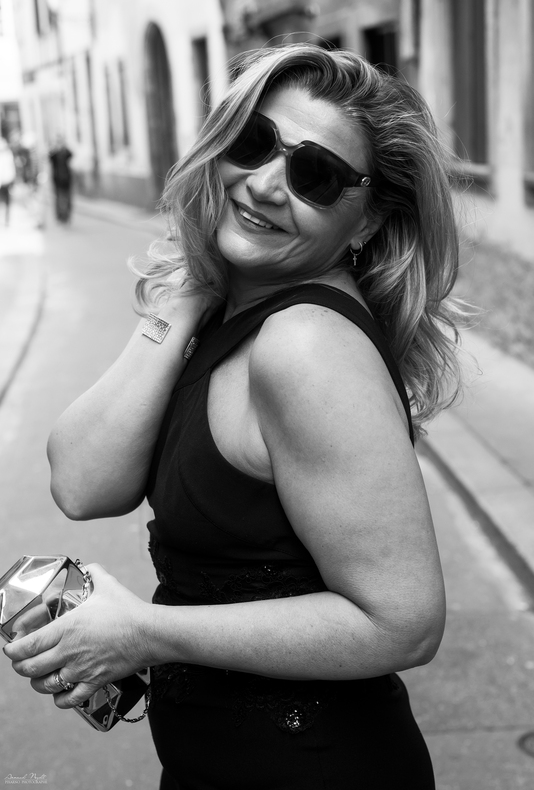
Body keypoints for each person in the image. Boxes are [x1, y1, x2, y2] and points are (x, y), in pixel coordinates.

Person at [4, 44, 466, 788]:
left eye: (316, 176)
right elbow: (82, 483)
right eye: (254, 141)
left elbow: (403, 623)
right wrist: (187, 297)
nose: (266, 184)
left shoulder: (304, 345)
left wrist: (143, 633)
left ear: (366, 221)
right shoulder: (231, 310)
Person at [48, 137, 73, 222]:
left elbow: (71, 154)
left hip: (66, 179)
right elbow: (50, 157)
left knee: (67, 197)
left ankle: (66, 214)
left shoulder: (65, 153)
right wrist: (54, 148)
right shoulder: (54, 154)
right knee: (58, 197)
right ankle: (60, 215)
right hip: (57, 179)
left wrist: (64, 147)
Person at [0, 137, 16, 226]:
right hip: (3, 181)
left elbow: (11, 169)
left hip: (7, 181)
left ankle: (6, 219)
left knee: (7, 202)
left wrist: (12, 180)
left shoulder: (8, 155)